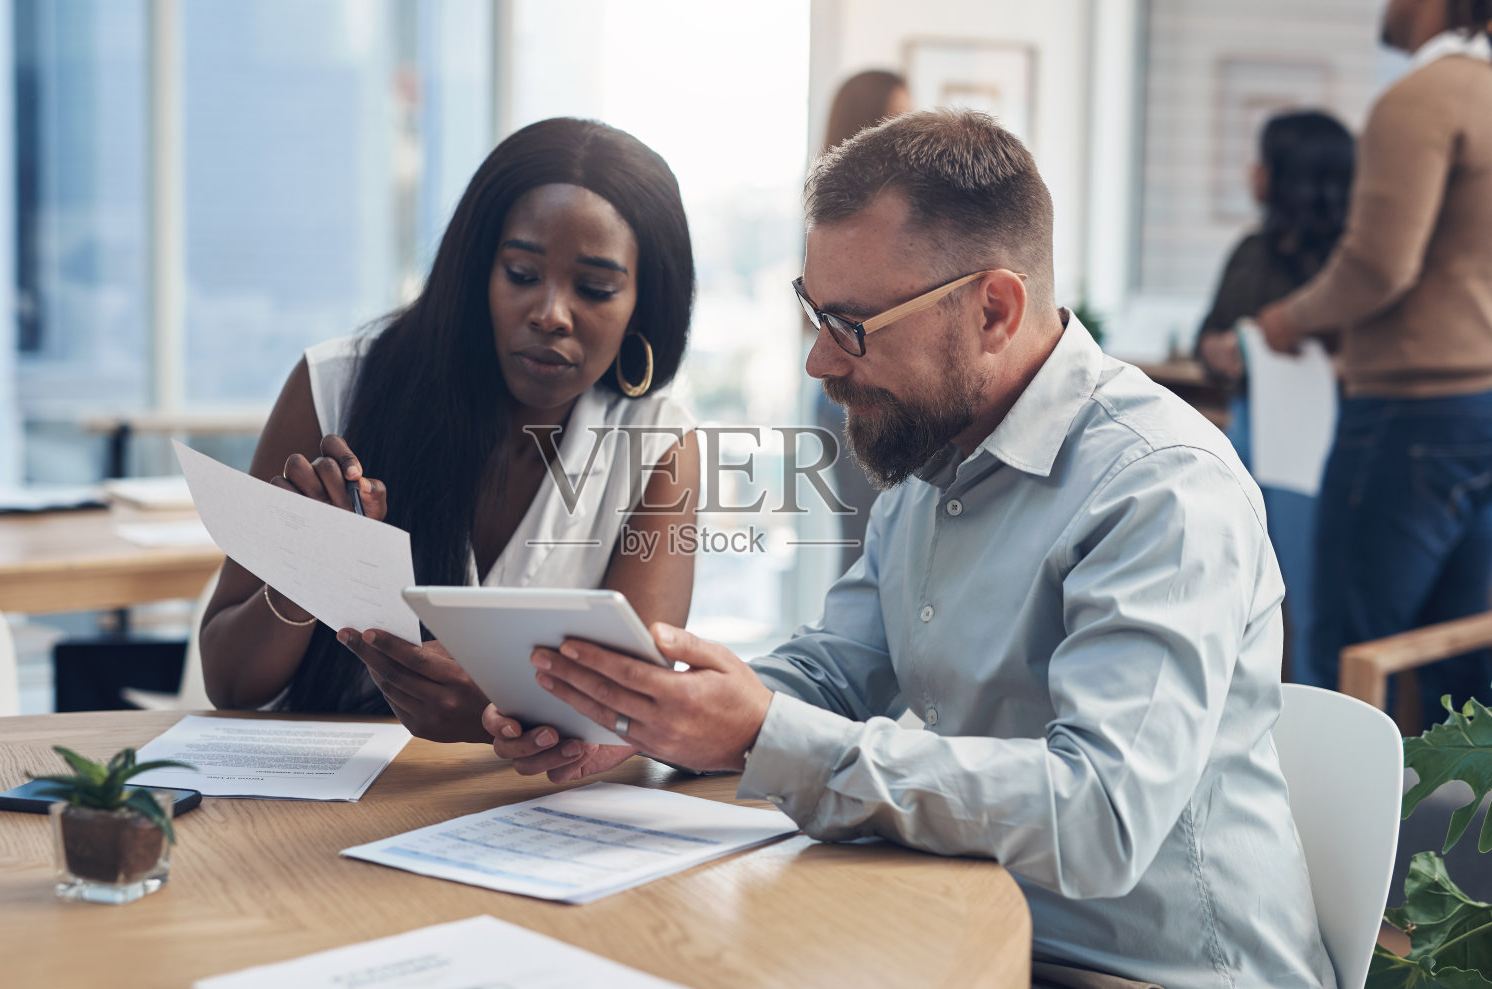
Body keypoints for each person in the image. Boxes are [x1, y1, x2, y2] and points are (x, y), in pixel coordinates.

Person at [484, 110, 1335, 987]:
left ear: (994, 309)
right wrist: (650, 720)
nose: (819, 361)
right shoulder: (935, 456)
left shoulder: (1162, 487)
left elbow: (1101, 820)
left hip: (1148, 972)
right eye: (814, 313)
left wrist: (766, 733)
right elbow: (830, 674)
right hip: (964, 926)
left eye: (852, 325)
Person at [198, 118, 700, 742]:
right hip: (317, 800)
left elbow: (642, 708)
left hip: (519, 809)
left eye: (595, 289)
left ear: (644, 305)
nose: (549, 314)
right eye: (521, 274)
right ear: (476, 274)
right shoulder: (335, 388)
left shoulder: (656, 440)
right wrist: (311, 568)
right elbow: (231, 684)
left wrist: (498, 709)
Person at [1259, 0, 1492, 721]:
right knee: (1465, 676)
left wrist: (1289, 317)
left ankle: (1345, 839)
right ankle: (1452, 840)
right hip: (1481, 407)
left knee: (1351, 662)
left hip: (1408, 414)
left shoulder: (1419, 98)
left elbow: (1379, 264)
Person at [1194, 110, 1355, 683]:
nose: (1252, 172)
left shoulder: (1350, 260)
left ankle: (1320, 722)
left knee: (1310, 600)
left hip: (1317, 441)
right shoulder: (1251, 251)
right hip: (1246, 428)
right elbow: (1207, 333)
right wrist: (1220, 349)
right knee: (1231, 588)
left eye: (1264, 159)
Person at [813, 70, 913, 574]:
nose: (908, 135)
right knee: (867, 553)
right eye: (896, 120)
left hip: (853, 388)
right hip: (846, 394)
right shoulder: (831, 222)